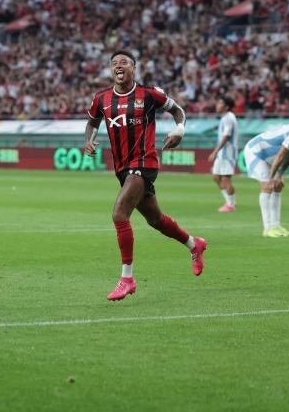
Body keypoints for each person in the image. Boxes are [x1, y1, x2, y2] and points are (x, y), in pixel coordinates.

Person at [84, 50, 208, 302]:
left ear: (134, 68)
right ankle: (194, 244)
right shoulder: (101, 99)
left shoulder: (149, 94)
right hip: (122, 168)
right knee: (155, 219)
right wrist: (90, 140)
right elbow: (92, 123)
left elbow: (178, 111)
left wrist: (179, 131)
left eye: (124, 62)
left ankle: (127, 279)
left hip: (144, 161)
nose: (119, 66)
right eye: (114, 63)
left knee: (119, 214)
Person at [208, 95, 239, 212]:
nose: (217, 105)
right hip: (223, 154)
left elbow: (226, 136)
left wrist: (215, 151)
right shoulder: (225, 117)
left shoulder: (228, 118)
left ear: (226, 107)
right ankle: (230, 202)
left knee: (226, 179)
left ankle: (231, 205)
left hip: (228, 154)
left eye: (220, 103)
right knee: (216, 177)